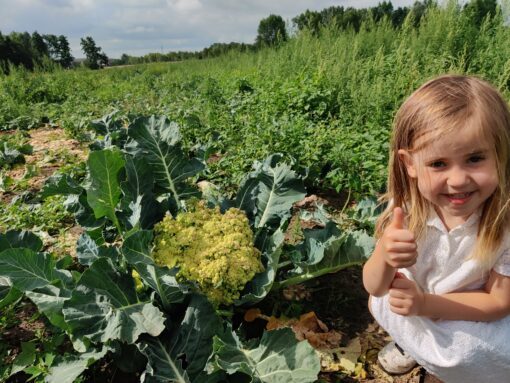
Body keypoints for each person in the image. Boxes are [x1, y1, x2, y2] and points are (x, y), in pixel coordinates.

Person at [363, 74, 510, 382]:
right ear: (410, 164)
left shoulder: (503, 224)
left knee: (469, 353)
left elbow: (497, 302)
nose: (457, 180)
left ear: (501, 154)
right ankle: (415, 347)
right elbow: (374, 286)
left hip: (474, 312)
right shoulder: (411, 214)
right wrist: (385, 257)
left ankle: (448, 365)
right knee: (384, 301)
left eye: (474, 159)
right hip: (421, 302)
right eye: (439, 164)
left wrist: (426, 305)